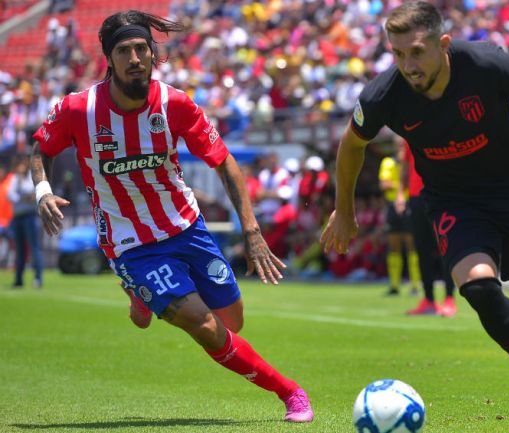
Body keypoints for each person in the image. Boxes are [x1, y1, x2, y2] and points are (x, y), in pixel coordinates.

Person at [319, 3, 509, 432]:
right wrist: (344, 211)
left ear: (443, 45)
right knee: (478, 286)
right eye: (398, 54)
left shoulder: (484, 62)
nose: (408, 65)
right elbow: (352, 145)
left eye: (417, 52)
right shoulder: (383, 95)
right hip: (453, 202)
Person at [30, 10, 313, 422]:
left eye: (141, 49)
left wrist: (251, 231)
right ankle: (291, 393)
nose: (134, 58)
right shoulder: (79, 109)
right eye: (123, 50)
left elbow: (225, 162)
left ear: (152, 54)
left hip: (185, 226)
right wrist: (43, 192)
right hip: (131, 244)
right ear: (109, 59)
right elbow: (41, 148)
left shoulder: (176, 104)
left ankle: (139, 297)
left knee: (232, 321)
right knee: (204, 327)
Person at [397, 138, 457, 316]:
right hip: (416, 197)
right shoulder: (410, 136)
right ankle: (429, 299)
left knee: (444, 248)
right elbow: (405, 166)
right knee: (422, 250)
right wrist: (401, 193)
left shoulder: (441, 131)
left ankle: (449, 298)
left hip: (440, 195)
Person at [379, 138, 421, 296]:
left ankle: (415, 285)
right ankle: (394, 285)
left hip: (410, 203)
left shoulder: (412, 160)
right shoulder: (388, 162)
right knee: (394, 246)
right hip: (392, 205)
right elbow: (384, 184)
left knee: (412, 246)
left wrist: (396, 184)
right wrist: (402, 185)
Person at [7, 156, 44, 288]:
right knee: (20, 249)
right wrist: (24, 197)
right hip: (17, 217)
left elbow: (31, 192)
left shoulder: (31, 176)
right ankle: (18, 280)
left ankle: (38, 279)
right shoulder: (15, 178)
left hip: (30, 216)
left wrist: (23, 194)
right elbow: (10, 195)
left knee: (35, 248)